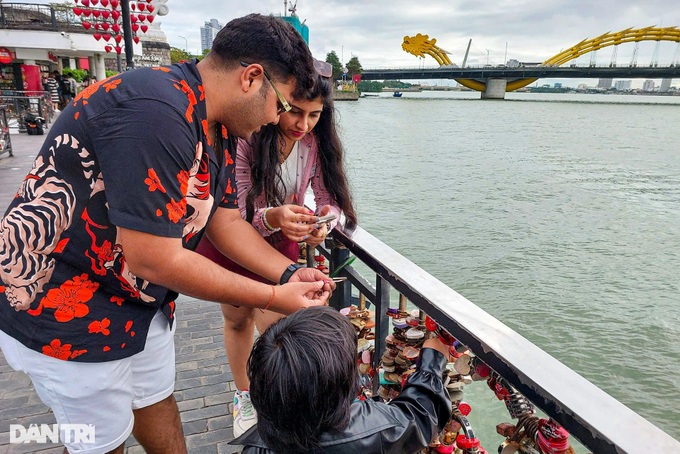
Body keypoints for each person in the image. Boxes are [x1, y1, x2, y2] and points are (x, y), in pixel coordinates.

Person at [0, 13, 334, 454]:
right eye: (282, 104)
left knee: (154, 399)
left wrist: (289, 274)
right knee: (100, 442)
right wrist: (271, 298)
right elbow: (154, 257)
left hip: (138, 302)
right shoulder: (156, 110)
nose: (278, 120)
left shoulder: (216, 122)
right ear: (252, 79)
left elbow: (225, 220)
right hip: (66, 307)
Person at [195, 59, 357, 437]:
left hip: (281, 250)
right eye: (295, 112)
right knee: (238, 320)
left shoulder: (315, 144)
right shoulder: (247, 136)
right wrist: (273, 217)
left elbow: (328, 198)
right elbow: (229, 214)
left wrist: (324, 223)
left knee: (282, 328)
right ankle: (244, 394)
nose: (303, 125)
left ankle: (281, 403)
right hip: (233, 246)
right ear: (278, 102)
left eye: (315, 115)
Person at [231, 306, 453, 453]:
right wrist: (432, 362)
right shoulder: (368, 431)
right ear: (346, 385)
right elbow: (421, 414)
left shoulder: (257, 445)